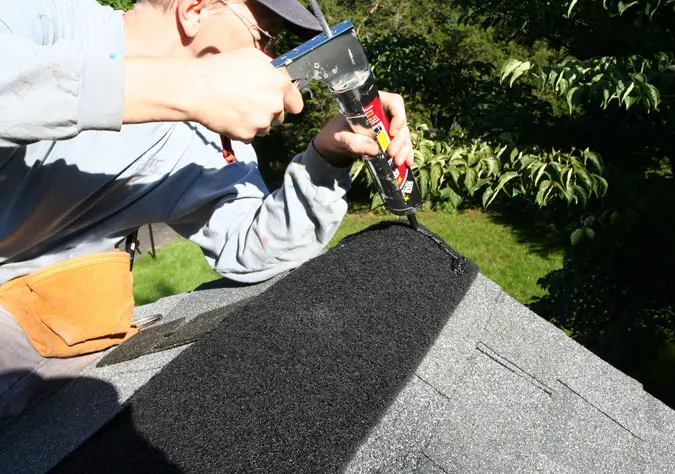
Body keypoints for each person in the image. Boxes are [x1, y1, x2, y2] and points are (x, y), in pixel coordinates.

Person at [0, 0, 414, 424]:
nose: (268, 62)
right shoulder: (46, 19)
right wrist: (188, 88)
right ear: (195, 10)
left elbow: (252, 247)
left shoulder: (201, 138)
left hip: (40, 331)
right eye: (264, 39)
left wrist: (328, 156)